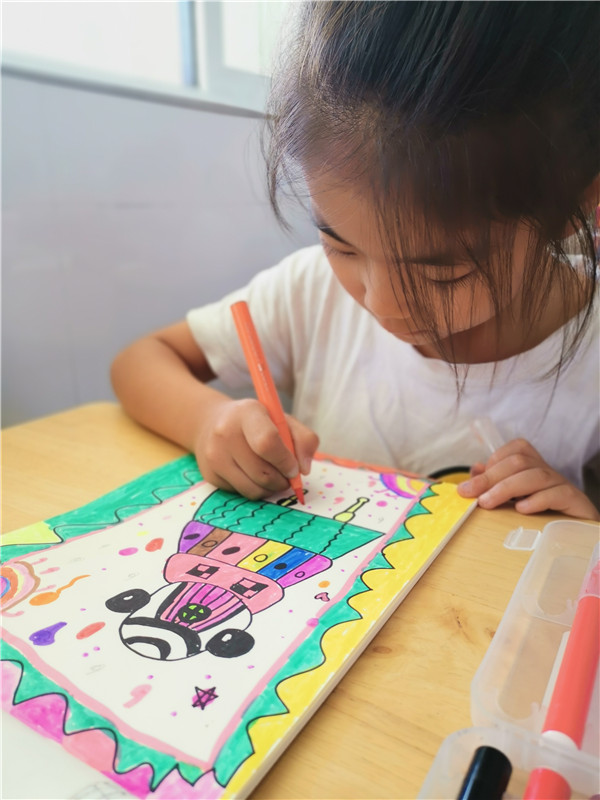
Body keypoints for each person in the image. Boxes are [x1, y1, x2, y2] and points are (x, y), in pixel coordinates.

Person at [111, 1, 600, 521]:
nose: (382, 304)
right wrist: (207, 420)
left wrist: (582, 531)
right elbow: (139, 362)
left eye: (441, 272)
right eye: (340, 244)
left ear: (576, 205)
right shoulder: (309, 291)